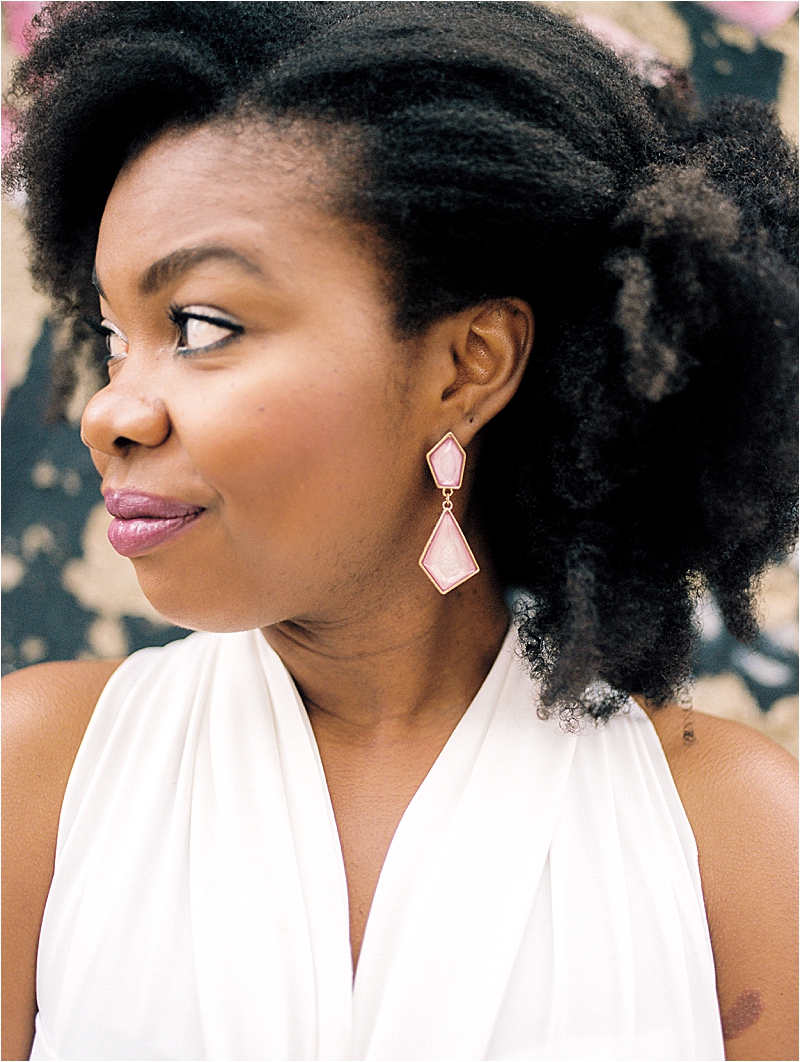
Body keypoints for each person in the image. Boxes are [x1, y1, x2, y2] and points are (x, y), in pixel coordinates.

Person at [2, 3, 797, 1060]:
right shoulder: (38, 774)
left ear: (465, 365)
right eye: (115, 337)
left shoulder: (733, 836)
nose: (111, 411)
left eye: (198, 326)